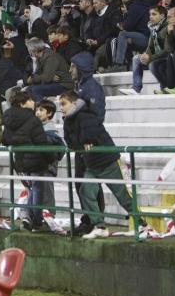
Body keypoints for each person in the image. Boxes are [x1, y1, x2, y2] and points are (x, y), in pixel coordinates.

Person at [58, 91, 145, 239]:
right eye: (60, 104)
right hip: (91, 163)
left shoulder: (86, 114)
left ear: (73, 103)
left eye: (63, 104)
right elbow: (71, 142)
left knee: (122, 194)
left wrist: (85, 140)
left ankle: (142, 224)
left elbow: (89, 134)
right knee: (86, 191)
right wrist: (82, 142)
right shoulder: (68, 120)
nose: (61, 108)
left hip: (107, 161)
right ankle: (100, 226)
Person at [1, 91, 53, 231]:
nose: (33, 102)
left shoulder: (8, 118)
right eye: (29, 100)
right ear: (22, 103)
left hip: (19, 160)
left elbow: (5, 139)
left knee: (30, 189)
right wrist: (50, 158)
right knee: (37, 189)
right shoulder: (33, 119)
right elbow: (41, 142)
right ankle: (37, 221)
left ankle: (27, 217)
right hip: (35, 159)